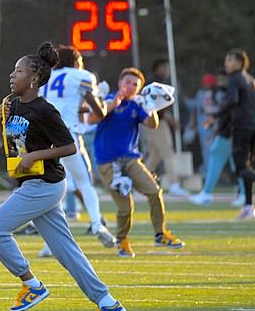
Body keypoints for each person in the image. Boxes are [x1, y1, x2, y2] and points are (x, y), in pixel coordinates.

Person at [0, 42, 126, 311]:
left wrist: (36, 154)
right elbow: (13, 143)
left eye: (19, 71)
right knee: (66, 251)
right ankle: (107, 303)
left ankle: (32, 284)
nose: (12, 75)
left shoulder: (44, 109)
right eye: (13, 70)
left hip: (44, 185)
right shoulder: (12, 104)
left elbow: (70, 147)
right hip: (33, 184)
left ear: (34, 78)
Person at [89, 67, 185, 258]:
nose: (131, 87)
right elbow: (92, 119)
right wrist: (113, 103)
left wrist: (153, 107)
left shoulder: (137, 104)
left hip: (131, 158)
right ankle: (122, 240)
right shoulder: (108, 99)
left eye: (135, 85)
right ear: (120, 83)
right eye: (128, 83)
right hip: (108, 161)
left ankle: (160, 233)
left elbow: (152, 124)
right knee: (126, 206)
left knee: (154, 191)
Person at [39, 45, 116, 254]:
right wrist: (108, 101)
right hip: (67, 136)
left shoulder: (46, 77)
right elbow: (99, 112)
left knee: (56, 189)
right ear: (76, 62)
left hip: (44, 140)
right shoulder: (82, 76)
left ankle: (49, 243)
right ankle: (97, 224)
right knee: (85, 183)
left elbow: (61, 103)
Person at [214, 49, 255, 219]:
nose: (226, 63)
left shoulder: (235, 78)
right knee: (247, 167)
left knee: (240, 168)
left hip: (242, 128)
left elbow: (232, 100)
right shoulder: (252, 80)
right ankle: (248, 206)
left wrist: (214, 116)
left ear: (239, 62)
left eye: (229, 60)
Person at [190, 70, 245, 206]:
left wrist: (216, 125)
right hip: (227, 131)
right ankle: (242, 191)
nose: (220, 83)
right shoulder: (226, 92)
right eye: (218, 80)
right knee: (226, 159)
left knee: (234, 162)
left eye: (223, 80)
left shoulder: (231, 93)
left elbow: (227, 112)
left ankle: (247, 190)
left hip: (231, 131)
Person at [142, 59, 188, 196]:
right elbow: (157, 109)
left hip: (152, 123)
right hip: (156, 124)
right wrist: (171, 120)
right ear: (157, 68)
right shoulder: (154, 83)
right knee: (168, 153)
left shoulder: (159, 82)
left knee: (155, 156)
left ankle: (139, 182)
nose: (167, 71)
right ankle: (174, 184)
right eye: (164, 68)